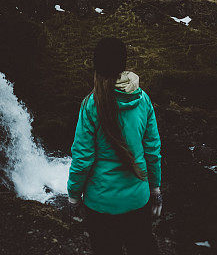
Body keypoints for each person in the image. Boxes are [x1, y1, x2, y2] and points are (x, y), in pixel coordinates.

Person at [67, 37, 162, 254]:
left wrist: (73, 196)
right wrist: (155, 188)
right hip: (137, 200)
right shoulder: (143, 99)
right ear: (123, 63)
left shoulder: (90, 104)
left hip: (100, 204)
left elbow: (82, 158)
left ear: (96, 66)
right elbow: (152, 150)